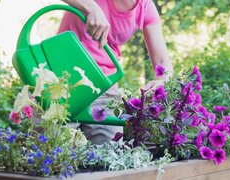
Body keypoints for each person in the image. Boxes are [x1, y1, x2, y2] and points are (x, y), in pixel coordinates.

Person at [59, 0, 173, 145]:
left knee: (110, 157)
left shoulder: (145, 6)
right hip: (63, 82)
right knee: (51, 155)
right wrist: (91, 7)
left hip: (104, 89)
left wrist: (161, 82)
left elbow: (164, 65)